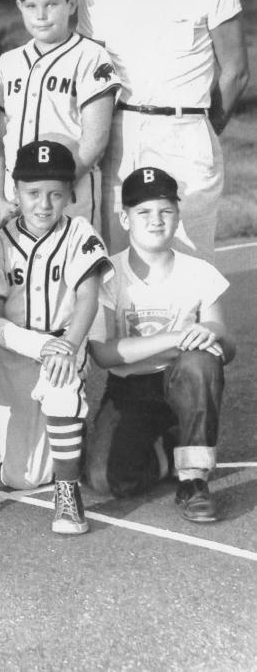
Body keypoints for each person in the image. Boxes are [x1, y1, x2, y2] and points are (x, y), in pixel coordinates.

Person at [78, 0, 249, 261]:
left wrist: (203, 127)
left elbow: (236, 72)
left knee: (187, 263)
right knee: (120, 264)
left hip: (185, 131)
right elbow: (87, 79)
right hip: (119, 135)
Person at [0, 142, 112, 535]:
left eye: (55, 193)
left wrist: (68, 344)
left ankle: (68, 493)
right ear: (16, 192)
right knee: (21, 477)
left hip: (64, 341)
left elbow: (87, 297)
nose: (44, 204)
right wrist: (36, 345)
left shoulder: (79, 232)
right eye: (33, 193)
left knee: (62, 385)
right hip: (17, 349)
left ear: (71, 193)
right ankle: (69, 439)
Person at [85, 167, 232, 523]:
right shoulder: (107, 274)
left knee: (200, 362)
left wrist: (209, 334)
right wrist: (176, 337)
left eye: (166, 211)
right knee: (105, 480)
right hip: (129, 388)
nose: (156, 221)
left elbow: (226, 347)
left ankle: (194, 480)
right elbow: (103, 353)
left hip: (182, 384)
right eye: (143, 212)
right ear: (124, 218)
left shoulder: (199, 272)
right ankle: (169, 448)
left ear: (178, 216)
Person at [0, 0, 119, 227]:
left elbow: (95, 140)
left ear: (71, 4)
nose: (41, 15)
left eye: (51, 4)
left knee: (73, 265)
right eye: (31, 6)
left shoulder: (91, 56)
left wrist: (55, 190)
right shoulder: (7, 63)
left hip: (71, 193)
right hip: (16, 197)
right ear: (19, 8)